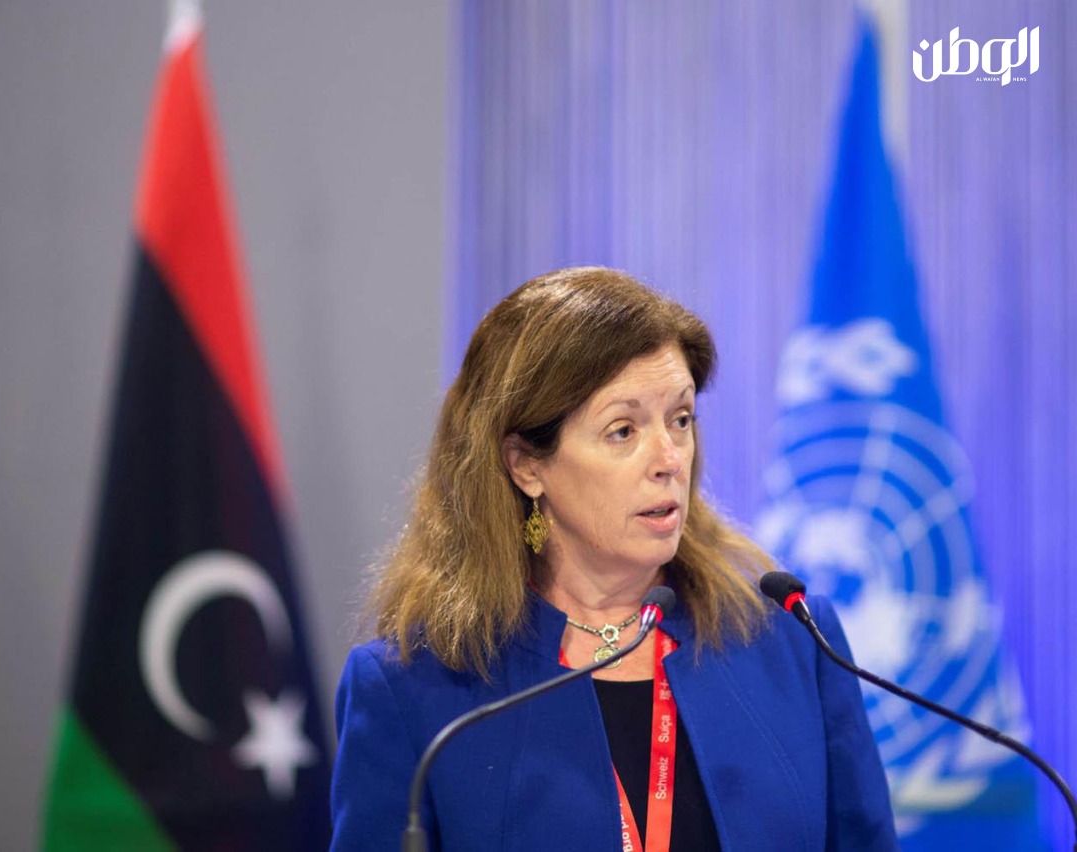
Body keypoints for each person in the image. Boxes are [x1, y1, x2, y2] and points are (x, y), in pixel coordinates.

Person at [330, 267, 897, 851]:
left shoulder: (793, 642)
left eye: (680, 419)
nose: (669, 459)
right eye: (623, 431)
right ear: (526, 466)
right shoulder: (415, 689)